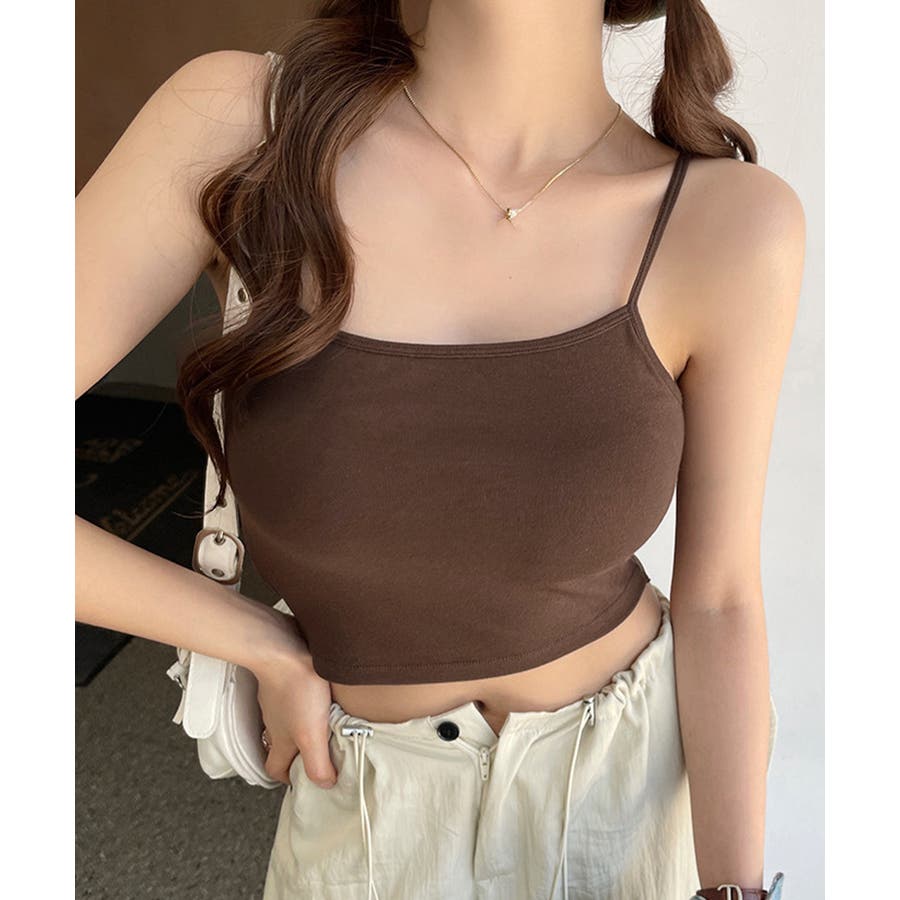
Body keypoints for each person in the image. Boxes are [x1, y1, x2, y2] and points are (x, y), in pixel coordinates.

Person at [75, 0, 804, 897]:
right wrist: (255, 638)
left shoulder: (729, 221)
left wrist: (733, 890)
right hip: (367, 819)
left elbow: (720, 601)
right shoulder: (242, 127)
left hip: (632, 800)